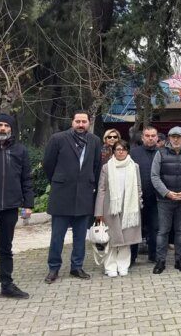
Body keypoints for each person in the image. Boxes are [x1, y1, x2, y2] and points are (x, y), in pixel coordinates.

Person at [43, 110, 103, 284]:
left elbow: (96, 165)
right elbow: (48, 163)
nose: (81, 124)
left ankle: (76, 267)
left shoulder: (95, 141)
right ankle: (53, 268)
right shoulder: (58, 139)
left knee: (79, 236)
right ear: (72, 122)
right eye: (78, 121)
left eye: (84, 121)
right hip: (62, 194)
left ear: (89, 123)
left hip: (84, 194)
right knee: (57, 235)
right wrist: (58, 179)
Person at [0, 114, 34, 298]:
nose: (3, 128)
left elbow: (26, 178)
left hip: (10, 207)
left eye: (6, 125)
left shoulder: (20, 150)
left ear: (11, 129)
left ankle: (7, 285)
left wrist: (28, 204)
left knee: (6, 247)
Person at [151, 126, 181, 274]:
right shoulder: (160, 153)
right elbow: (154, 176)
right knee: (163, 231)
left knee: (180, 231)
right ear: (169, 138)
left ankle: (180, 260)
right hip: (165, 200)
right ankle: (160, 261)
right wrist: (166, 193)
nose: (176, 139)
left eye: (179, 136)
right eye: (173, 136)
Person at [94, 141, 142, 278]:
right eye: (118, 149)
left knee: (126, 240)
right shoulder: (106, 167)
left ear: (128, 151)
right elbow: (101, 189)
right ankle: (110, 267)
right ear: (113, 151)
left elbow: (138, 187)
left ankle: (123, 266)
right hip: (111, 208)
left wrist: (138, 204)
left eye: (124, 149)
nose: (121, 152)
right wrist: (99, 212)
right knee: (111, 239)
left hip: (129, 208)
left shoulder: (135, 167)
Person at [129, 126, 159, 263]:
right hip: (137, 197)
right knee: (135, 227)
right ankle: (132, 256)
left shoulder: (162, 153)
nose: (150, 138)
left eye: (153, 135)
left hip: (156, 197)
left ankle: (154, 255)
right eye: (147, 135)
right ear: (142, 137)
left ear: (157, 137)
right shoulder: (133, 153)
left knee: (154, 228)